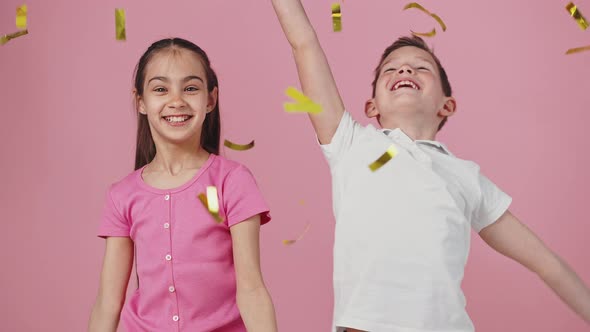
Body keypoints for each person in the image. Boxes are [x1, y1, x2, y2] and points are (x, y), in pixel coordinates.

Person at [270, 1, 590, 331]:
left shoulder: (467, 177)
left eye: (421, 68)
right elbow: (304, 43)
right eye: (390, 70)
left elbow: (546, 263)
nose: (405, 71)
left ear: (446, 106)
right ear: (371, 107)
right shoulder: (351, 144)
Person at [88, 38, 278, 332]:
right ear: (141, 101)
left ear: (210, 99)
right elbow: (108, 301)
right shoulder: (122, 195)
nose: (176, 101)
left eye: (190, 88)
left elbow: (252, 290)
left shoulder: (231, 182)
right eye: (161, 89)